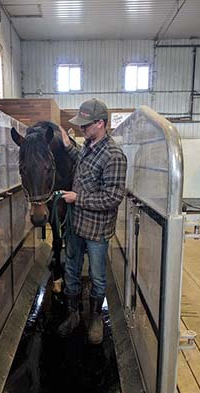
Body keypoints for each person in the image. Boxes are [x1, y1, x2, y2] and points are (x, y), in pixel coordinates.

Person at [58, 98, 127, 344]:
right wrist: (68, 146)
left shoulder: (115, 156)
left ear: (101, 123)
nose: (81, 129)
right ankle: (73, 313)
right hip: (76, 225)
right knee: (72, 270)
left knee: (98, 276)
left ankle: (95, 317)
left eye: (86, 125)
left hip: (97, 229)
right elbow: (81, 162)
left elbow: (113, 197)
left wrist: (79, 198)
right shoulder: (88, 145)